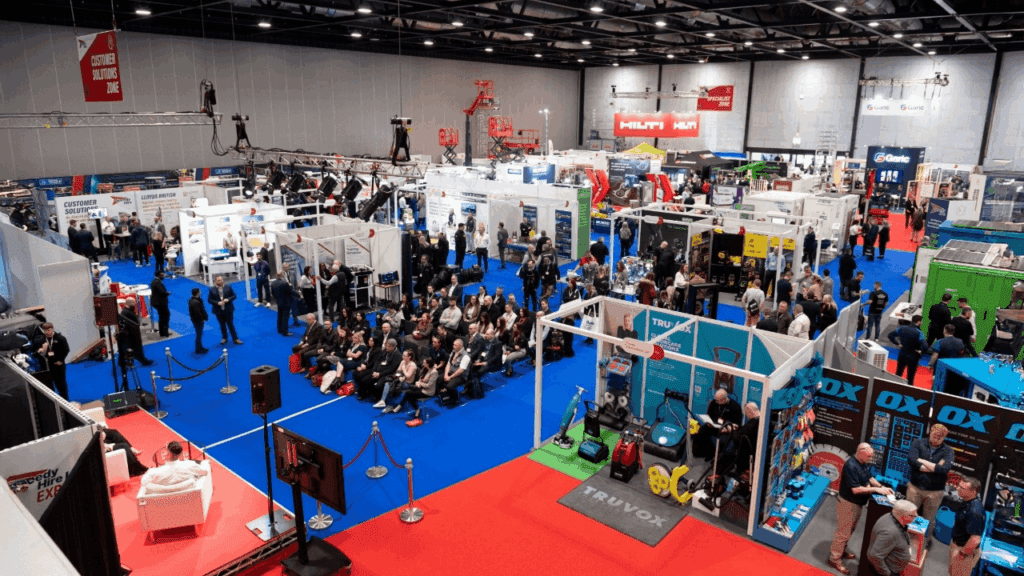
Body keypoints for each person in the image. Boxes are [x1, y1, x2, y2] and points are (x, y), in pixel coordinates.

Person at [827, 443, 894, 575]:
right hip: (848, 503)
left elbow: (869, 477)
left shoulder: (863, 463)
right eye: (868, 456)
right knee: (843, 533)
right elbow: (856, 489)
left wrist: (882, 487)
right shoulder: (850, 466)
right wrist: (876, 489)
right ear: (861, 452)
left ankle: (841, 551)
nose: (870, 459)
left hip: (857, 504)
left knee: (850, 530)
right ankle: (834, 559)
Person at [905, 424, 954, 549]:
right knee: (908, 514)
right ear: (930, 432)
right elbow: (912, 460)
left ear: (944, 437)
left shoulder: (948, 451)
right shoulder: (918, 443)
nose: (936, 439)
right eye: (934, 435)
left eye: (940, 437)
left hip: (935, 491)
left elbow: (944, 469)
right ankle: (905, 538)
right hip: (914, 487)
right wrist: (934, 466)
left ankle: (925, 542)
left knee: (929, 520)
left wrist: (922, 461)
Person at [866, 500, 918, 576]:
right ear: (902, 515)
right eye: (912, 515)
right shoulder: (890, 532)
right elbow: (874, 556)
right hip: (890, 571)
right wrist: (888, 573)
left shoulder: (891, 516)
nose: (916, 516)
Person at [948, 476, 985, 576]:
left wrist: (961, 555)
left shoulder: (975, 512)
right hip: (957, 544)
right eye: (958, 486)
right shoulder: (967, 500)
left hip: (964, 551)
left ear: (972, 492)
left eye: (962, 488)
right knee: (952, 572)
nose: (957, 489)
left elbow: (975, 539)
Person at [692, 389, 742, 460]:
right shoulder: (714, 403)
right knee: (701, 431)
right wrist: (709, 422)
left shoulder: (735, 406)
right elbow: (709, 415)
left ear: (724, 399)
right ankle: (704, 452)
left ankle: (718, 455)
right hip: (713, 426)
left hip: (726, 429)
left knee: (723, 440)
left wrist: (727, 429)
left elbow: (737, 424)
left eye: (718, 400)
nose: (716, 402)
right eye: (716, 400)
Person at [140, 441, 208, 491]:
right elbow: (204, 472)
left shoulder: (153, 472)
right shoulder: (190, 465)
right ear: (181, 453)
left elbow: (144, 482)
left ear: (166, 454)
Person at [888, 315, 926, 387]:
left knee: (898, 373)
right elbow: (925, 346)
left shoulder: (902, 328)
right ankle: (908, 392)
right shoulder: (920, 333)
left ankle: (894, 389)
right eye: (921, 321)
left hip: (902, 354)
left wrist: (897, 344)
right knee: (910, 377)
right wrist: (921, 352)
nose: (922, 323)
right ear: (918, 322)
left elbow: (890, 335)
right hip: (913, 357)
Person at [37, 322, 70, 400]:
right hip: (49, 366)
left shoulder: (61, 338)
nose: (47, 332)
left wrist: (61, 360)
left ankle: (65, 400)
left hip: (59, 364)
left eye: (49, 330)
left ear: (53, 329)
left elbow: (66, 350)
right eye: (45, 331)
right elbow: (38, 353)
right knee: (50, 385)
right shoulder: (42, 340)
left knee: (61, 384)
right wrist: (42, 350)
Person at [118, 298, 154, 367]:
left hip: (131, 333)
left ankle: (121, 362)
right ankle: (143, 360)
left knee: (125, 349)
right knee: (136, 348)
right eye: (134, 303)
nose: (135, 304)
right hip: (131, 334)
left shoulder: (125, 311)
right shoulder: (126, 312)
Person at [207, 276, 242, 345]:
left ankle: (235, 338)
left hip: (228, 309)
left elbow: (234, 296)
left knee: (230, 324)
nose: (221, 281)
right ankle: (224, 338)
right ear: (215, 281)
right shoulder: (212, 289)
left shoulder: (228, 287)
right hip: (218, 310)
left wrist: (228, 299)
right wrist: (217, 303)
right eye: (219, 280)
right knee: (222, 325)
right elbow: (209, 300)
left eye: (221, 280)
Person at [440, 338, 471, 405]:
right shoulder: (453, 352)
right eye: (453, 345)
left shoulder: (466, 356)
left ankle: (455, 399)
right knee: (439, 379)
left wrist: (450, 377)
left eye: (455, 345)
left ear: (460, 346)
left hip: (461, 376)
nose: (453, 346)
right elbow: (448, 364)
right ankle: (444, 395)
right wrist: (446, 374)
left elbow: (460, 370)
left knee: (449, 386)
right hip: (451, 372)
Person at [270, 272, 294, 337]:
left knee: (279, 316)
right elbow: (290, 292)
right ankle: (285, 331)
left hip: (279, 302)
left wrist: (277, 299)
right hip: (286, 302)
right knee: (285, 317)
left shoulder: (273, 283)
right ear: (282, 275)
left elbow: (273, 293)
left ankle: (279, 329)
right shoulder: (284, 283)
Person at [150, 271, 171, 338]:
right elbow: (162, 292)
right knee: (165, 317)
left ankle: (163, 332)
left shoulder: (154, 281)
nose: (164, 276)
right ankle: (165, 333)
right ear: (159, 275)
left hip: (157, 302)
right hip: (160, 303)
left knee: (162, 317)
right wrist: (167, 293)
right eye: (162, 275)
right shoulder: (157, 283)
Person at [188, 288, 209, 354]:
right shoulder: (196, 302)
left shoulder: (192, 300)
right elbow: (198, 312)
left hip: (195, 320)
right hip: (198, 321)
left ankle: (200, 347)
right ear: (197, 293)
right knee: (199, 334)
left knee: (199, 334)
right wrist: (202, 318)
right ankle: (198, 349)